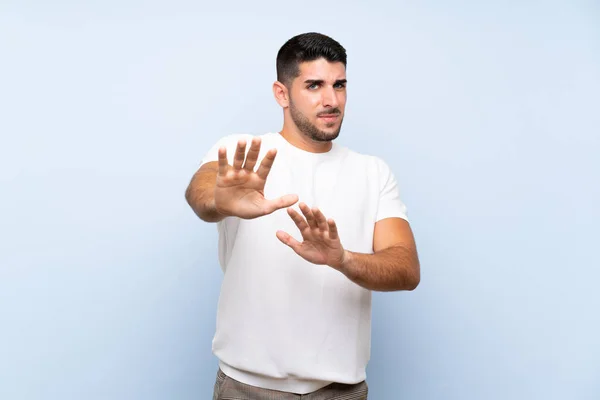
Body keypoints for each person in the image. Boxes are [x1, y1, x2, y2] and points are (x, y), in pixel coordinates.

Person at [185, 32, 420, 400]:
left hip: (341, 391)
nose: (331, 100)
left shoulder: (372, 172)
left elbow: (406, 269)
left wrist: (343, 259)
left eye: (339, 85)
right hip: (246, 388)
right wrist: (221, 200)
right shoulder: (241, 153)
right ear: (282, 93)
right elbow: (198, 194)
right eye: (314, 85)